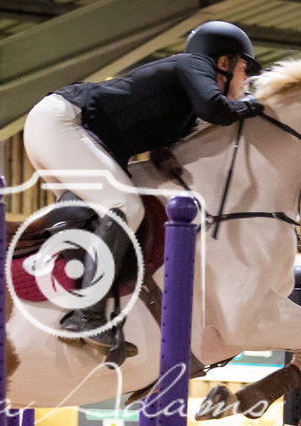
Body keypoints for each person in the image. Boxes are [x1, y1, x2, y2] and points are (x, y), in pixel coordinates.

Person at [22, 20, 265, 364]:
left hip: (64, 128)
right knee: (124, 206)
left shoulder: (184, 106)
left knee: (96, 217)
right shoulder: (192, 64)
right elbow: (215, 108)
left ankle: (76, 307)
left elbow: (163, 144)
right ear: (223, 62)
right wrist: (255, 106)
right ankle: (86, 316)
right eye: (244, 69)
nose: (246, 80)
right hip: (64, 123)